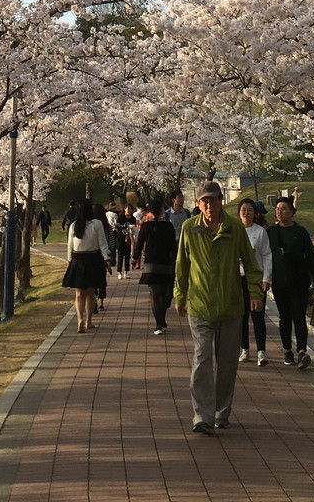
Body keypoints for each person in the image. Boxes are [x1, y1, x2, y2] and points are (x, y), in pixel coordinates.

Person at [174, 179, 264, 435]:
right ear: (198, 203)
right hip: (199, 304)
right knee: (202, 357)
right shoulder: (190, 229)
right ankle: (202, 415)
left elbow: (251, 263)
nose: (209, 205)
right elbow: (181, 265)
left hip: (230, 305)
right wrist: (179, 295)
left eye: (213, 200)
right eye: (204, 201)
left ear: (220, 201)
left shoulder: (234, 228)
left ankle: (221, 411)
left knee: (226, 363)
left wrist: (255, 292)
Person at [267, 195, 314, 369]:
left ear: (292, 212)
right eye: (277, 209)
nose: (280, 212)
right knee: (284, 317)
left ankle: (301, 351)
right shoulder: (271, 232)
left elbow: (311, 257)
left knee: (299, 317)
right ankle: (287, 351)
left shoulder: (301, 232)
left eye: (284, 208)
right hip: (279, 282)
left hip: (299, 281)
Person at [63, 200, 112, 332]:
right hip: (93, 258)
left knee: (79, 294)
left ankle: (80, 320)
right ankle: (88, 321)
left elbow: (70, 246)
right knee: (90, 293)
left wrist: (70, 261)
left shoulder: (74, 225)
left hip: (77, 259)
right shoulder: (97, 224)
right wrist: (107, 259)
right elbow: (102, 242)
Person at [132, 194, 178, 335]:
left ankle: (159, 324)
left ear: (149, 211)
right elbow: (173, 246)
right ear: (162, 211)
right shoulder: (168, 226)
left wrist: (134, 259)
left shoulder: (146, 226)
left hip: (151, 263)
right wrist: (177, 260)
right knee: (164, 293)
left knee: (154, 294)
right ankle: (162, 320)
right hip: (166, 263)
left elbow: (139, 245)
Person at [236, 198, 272, 365]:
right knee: (241, 316)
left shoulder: (260, 232)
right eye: (243, 210)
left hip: (255, 279)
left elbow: (266, 255)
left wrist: (266, 278)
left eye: (250, 210)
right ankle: (244, 348)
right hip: (238, 279)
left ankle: (261, 351)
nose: (246, 213)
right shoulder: (235, 231)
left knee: (258, 316)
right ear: (239, 212)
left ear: (255, 213)